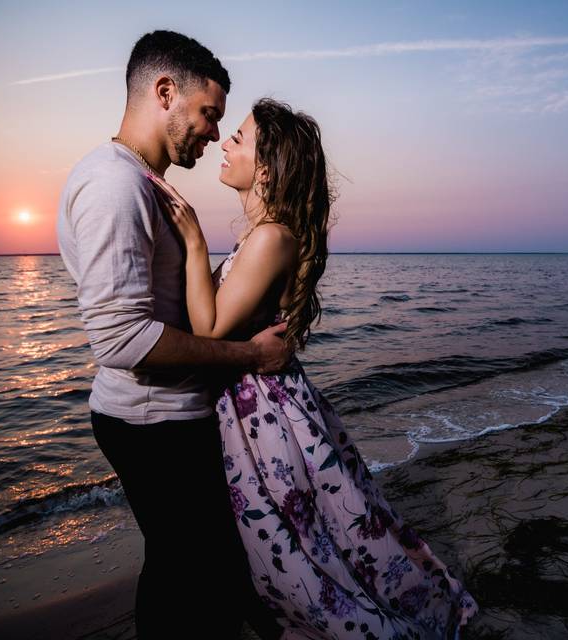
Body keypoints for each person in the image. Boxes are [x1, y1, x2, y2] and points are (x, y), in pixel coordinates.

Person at [148, 97, 479, 639]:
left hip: (266, 415)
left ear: (265, 166)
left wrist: (191, 240)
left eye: (238, 136)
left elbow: (207, 329)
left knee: (301, 551)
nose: (225, 144)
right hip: (263, 405)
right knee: (316, 541)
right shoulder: (266, 235)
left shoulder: (272, 236)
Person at [56, 31, 288, 640]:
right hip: (152, 422)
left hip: (168, 416)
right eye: (210, 114)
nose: (215, 133)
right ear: (165, 93)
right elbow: (122, 340)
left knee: (190, 570)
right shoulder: (115, 185)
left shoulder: (143, 182)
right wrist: (247, 354)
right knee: (192, 580)